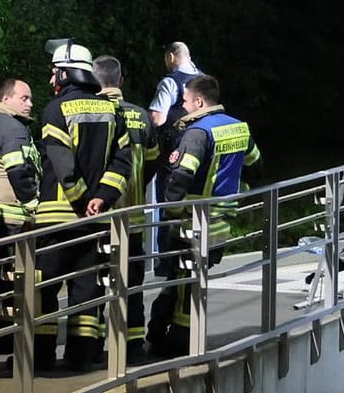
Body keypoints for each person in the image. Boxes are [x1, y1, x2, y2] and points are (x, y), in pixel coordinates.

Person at [31, 40, 132, 372]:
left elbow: (62, 166)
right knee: (86, 290)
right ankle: (82, 356)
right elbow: (122, 163)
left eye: (54, 74)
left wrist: (82, 199)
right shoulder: (112, 110)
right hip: (97, 220)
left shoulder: (55, 110)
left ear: (65, 74)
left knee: (43, 290)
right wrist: (102, 199)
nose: (51, 82)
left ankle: (41, 358)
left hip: (57, 220)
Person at [148, 74, 261, 357]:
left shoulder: (198, 133)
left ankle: (179, 342)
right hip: (222, 222)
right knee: (186, 280)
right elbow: (255, 165)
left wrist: (171, 209)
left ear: (199, 101)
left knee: (183, 283)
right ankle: (160, 333)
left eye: (185, 101)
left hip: (191, 222)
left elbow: (182, 175)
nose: (183, 107)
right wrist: (240, 188)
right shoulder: (239, 128)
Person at [94, 54, 161, 366]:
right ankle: (133, 345)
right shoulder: (141, 117)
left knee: (92, 283)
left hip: (97, 216)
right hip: (132, 217)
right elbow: (152, 162)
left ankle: (91, 347)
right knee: (132, 284)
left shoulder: (91, 112)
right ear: (120, 81)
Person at [0, 77, 40, 357]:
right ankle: (7, 341)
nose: (30, 104)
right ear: (7, 98)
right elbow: (17, 171)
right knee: (11, 282)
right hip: (10, 219)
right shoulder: (13, 128)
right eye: (24, 98)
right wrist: (33, 205)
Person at [148, 42, 201, 200]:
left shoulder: (170, 82)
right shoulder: (204, 80)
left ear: (170, 57)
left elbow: (157, 119)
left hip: (174, 152)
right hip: (200, 146)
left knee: (168, 200)